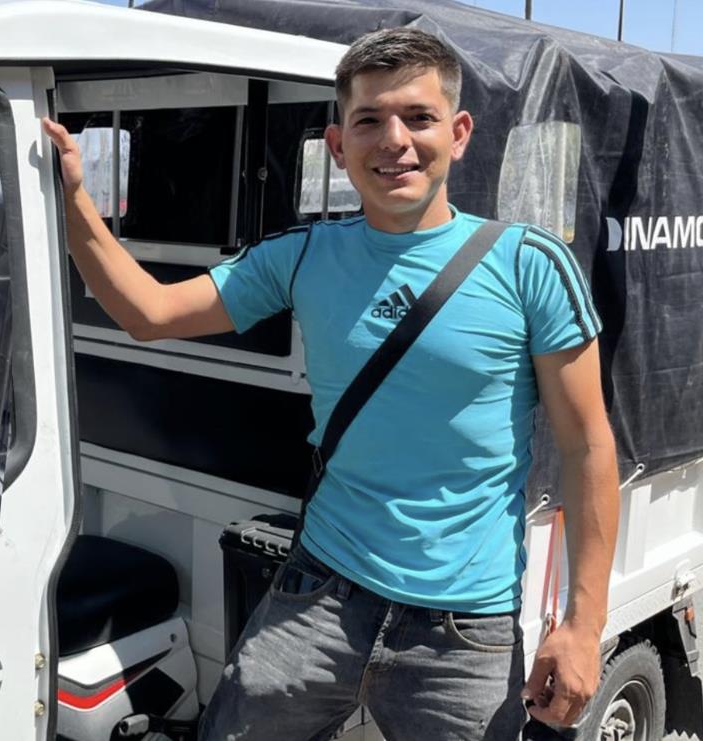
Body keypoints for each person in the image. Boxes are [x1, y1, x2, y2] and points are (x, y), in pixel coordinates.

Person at [42, 26, 619, 741]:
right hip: (318, 593)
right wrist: (71, 198)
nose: (394, 140)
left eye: (419, 117)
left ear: (460, 133)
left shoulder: (530, 265)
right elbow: (150, 313)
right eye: (369, 120)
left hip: (462, 632)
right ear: (337, 144)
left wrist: (583, 624)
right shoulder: (306, 254)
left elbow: (588, 446)